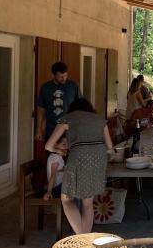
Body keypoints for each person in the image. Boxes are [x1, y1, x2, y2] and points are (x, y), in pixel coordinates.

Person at [45, 98, 113, 234]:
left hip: (79, 157)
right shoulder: (100, 120)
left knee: (67, 199)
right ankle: (85, 240)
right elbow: (110, 146)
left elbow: (48, 145)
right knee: (88, 203)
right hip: (98, 158)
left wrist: (60, 151)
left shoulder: (67, 118)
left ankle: (81, 236)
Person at [36, 62, 81, 142]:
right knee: (51, 153)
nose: (64, 78)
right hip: (51, 130)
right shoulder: (45, 88)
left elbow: (80, 106)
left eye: (65, 76)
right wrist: (39, 128)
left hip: (70, 130)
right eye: (61, 77)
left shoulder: (73, 86)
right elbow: (41, 109)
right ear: (54, 75)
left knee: (69, 154)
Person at [44, 136, 67, 200]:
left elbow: (59, 171)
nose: (66, 147)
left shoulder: (57, 156)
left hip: (59, 185)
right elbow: (53, 175)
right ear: (55, 145)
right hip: (57, 188)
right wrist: (49, 192)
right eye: (63, 144)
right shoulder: (55, 158)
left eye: (67, 144)